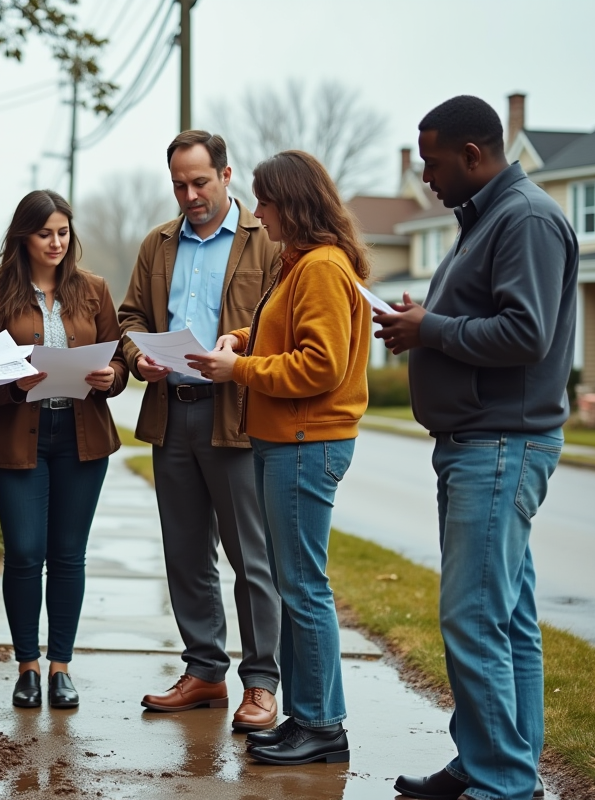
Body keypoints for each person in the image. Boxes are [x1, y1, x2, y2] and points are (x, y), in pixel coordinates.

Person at [376, 96, 576, 800]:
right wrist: (423, 321)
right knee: (506, 618)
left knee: (474, 617)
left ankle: (503, 782)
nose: (425, 177)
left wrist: (428, 330)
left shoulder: (525, 219)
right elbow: (484, 317)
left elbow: (526, 333)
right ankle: (493, 763)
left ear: (471, 154)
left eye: (431, 164)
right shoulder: (486, 218)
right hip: (480, 443)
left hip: (499, 446)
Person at [187, 150, 372, 766]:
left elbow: (320, 365)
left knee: (303, 587)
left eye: (265, 201)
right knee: (295, 585)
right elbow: (282, 332)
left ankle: (321, 726)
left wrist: (237, 370)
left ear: (292, 203)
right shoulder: (300, 263)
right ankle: (306, 719)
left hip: (304, 443)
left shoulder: (321, 267)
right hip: (286, 442)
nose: (258, 212)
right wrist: (241, 340)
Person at [117, 130, 282, 732]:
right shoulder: (158, 244)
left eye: (200, 182)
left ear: (226, 175)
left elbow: (282, 324)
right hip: (172, 413)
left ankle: (261, 683)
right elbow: (130, 317)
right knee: (186, 554)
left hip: (237, 414)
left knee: (251, 558)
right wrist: (137, 357)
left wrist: (239, 350)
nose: (190, 196)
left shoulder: (266, 241)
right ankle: (205, 671)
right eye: (179, 185)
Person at [0, 190, 128, 709]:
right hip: (20, 436)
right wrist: (15, 385)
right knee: (24, 553)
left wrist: (111, 377)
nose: (56, 242)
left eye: (63, 232)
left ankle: (61, 667)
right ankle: (28, 667)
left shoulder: (93, 289)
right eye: (45, 234)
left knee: (68, 555)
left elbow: (118, 361)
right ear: (24, 237)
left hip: (82, 438)